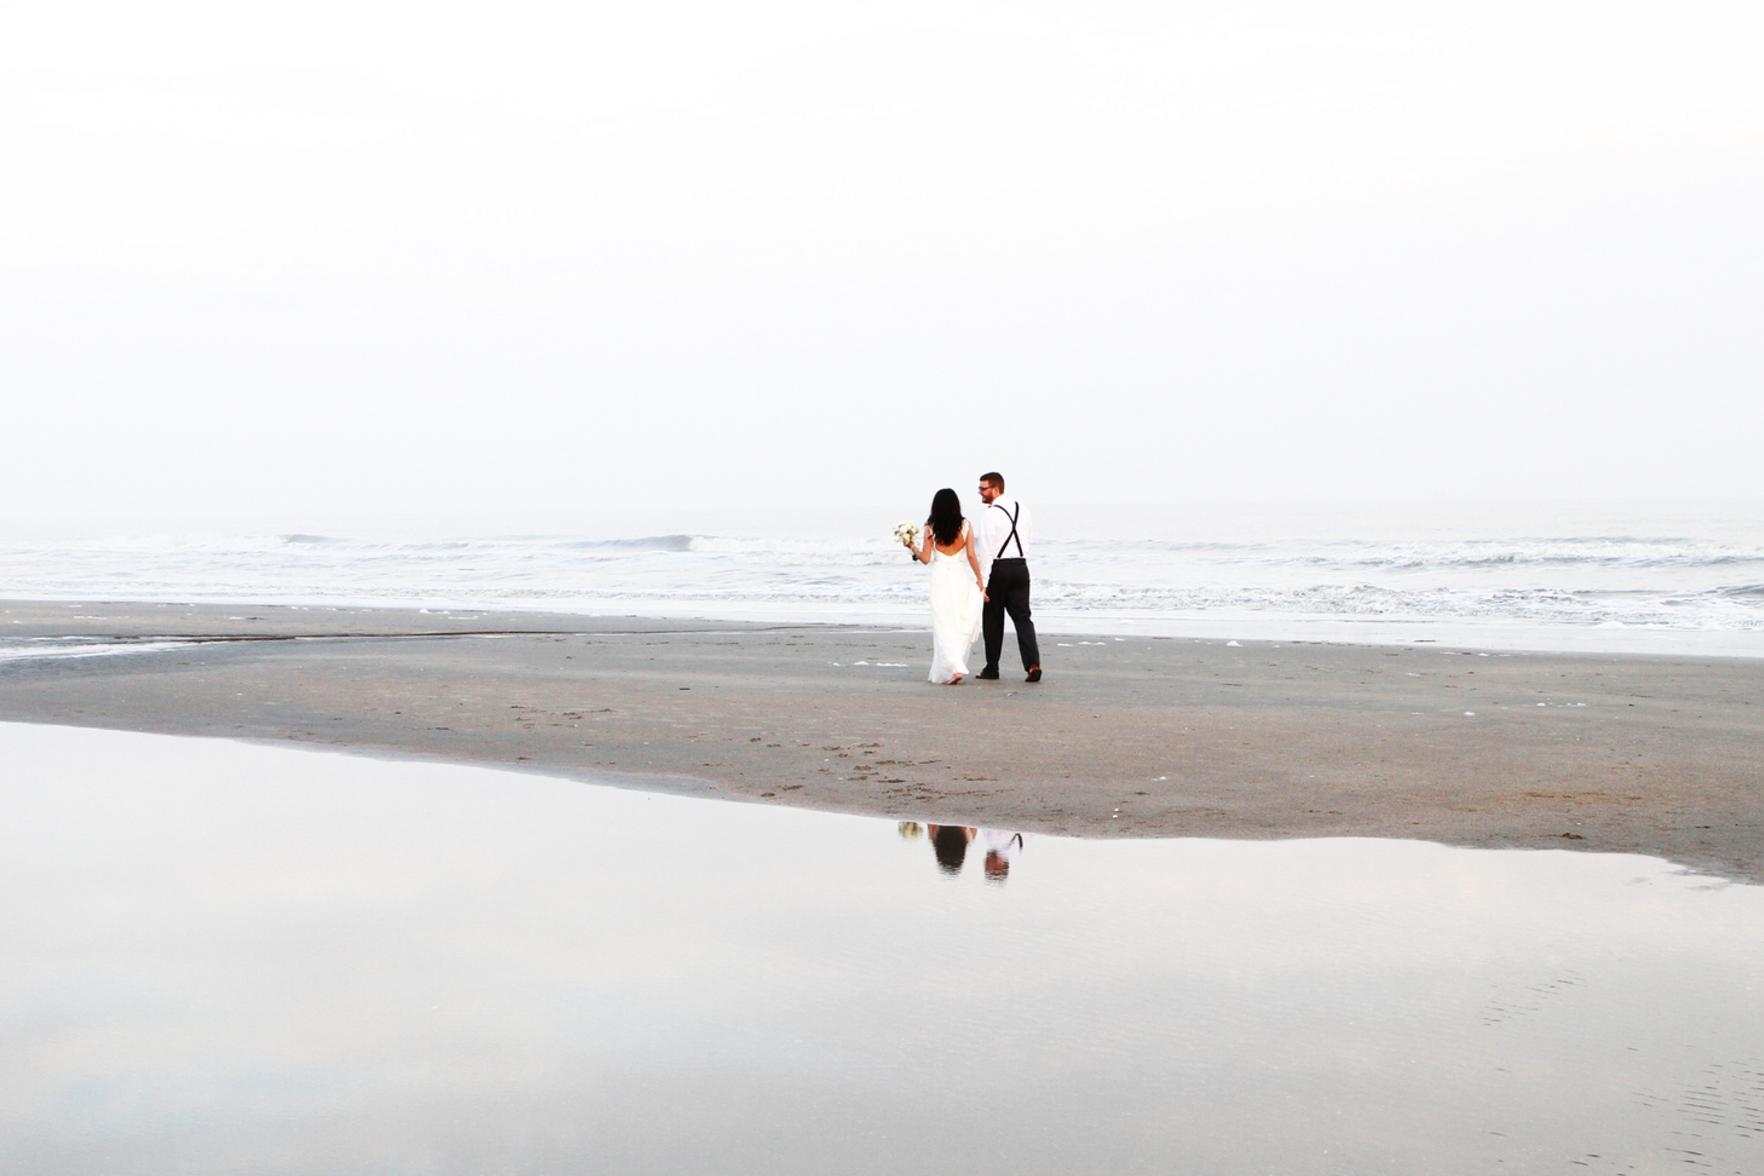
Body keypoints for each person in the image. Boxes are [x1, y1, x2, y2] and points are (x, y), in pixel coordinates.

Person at [904, 488, 987, 684]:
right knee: (959, 621)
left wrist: (912, 547)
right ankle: (955, 664)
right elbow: (971, 556)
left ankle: (955, 666)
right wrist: (980, 579)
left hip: (940, 577)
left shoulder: (930, 527)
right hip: (959, 576)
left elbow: (925, 558)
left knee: (943, 623)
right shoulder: (966, 525)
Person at [972, 471, 1042, 682]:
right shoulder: (1023, 510)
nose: (980, 493)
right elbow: (1027, 539)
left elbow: (985, 550)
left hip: (998, 569)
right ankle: (1033, 664)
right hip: (1021, 567)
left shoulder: (990, 514)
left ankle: (992, 668)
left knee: (993, 619)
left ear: (995, 488)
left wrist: (982, 583)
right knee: (1023, 618)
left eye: (983, 488)